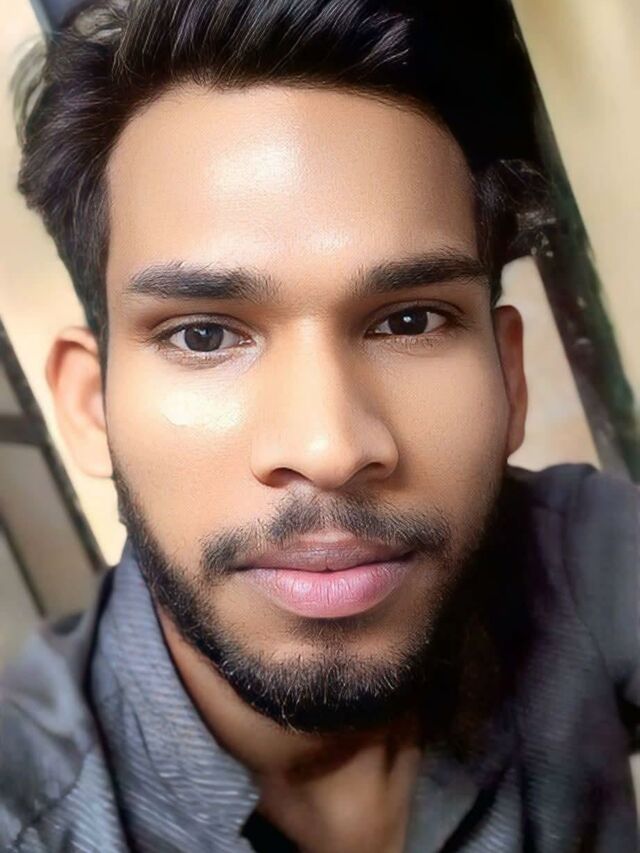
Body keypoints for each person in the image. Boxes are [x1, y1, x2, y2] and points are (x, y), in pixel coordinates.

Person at [1, 0, 638, 850]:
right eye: (204, 334)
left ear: (509, 376)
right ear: (91, 407)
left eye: (409, 320)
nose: (329, 449)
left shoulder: (582, 560)